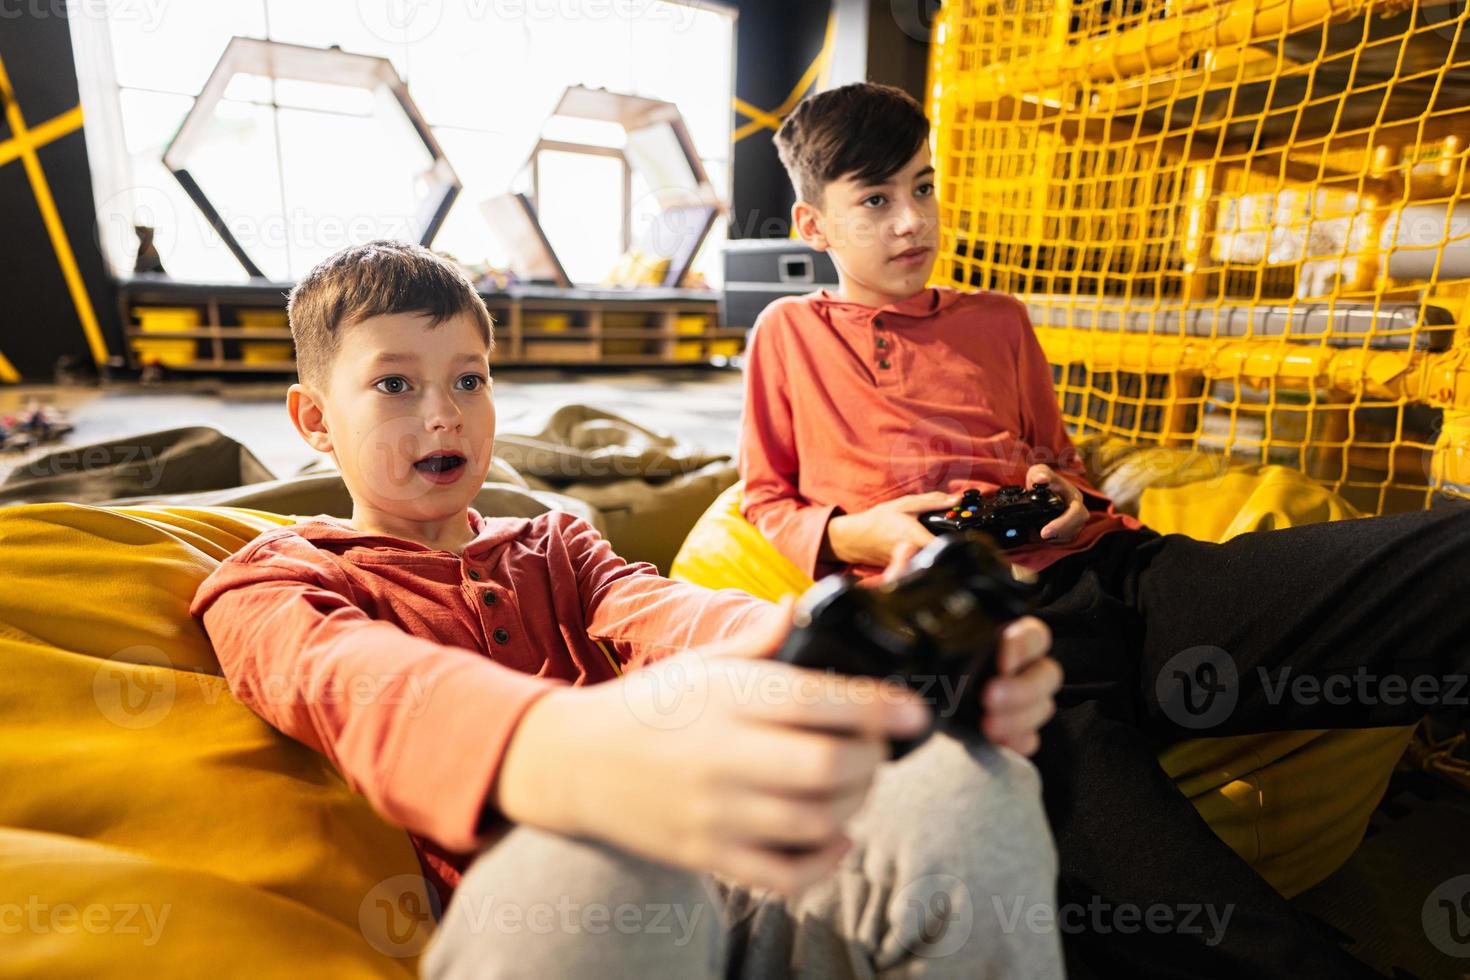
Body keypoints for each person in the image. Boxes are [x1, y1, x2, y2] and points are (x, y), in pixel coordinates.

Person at [740, 81, 1470, 978]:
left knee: (1442, 559)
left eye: (923, 187)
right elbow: (766, 499)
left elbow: (1058, 458)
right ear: (815, 227)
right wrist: (856, 536)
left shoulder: (999, 320)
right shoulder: (788, 334)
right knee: (1225, 934)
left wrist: (1069, 493)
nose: (910, 222)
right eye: (877, 200)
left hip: (1120, 574)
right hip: (984, 643)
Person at [190, 240, 1066, 978]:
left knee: (969, 783)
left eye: (469, 380)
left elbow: (665, 613)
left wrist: (841, 650)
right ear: (313, 419)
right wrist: (561, 750)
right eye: (393, 385)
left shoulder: (558, 543)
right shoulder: (273, 581)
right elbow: (357, 684)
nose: (443, 416)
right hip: (547, 914)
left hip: (710, 878)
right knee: (615, 863)